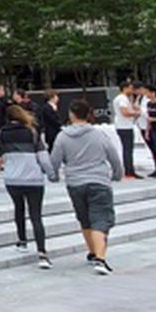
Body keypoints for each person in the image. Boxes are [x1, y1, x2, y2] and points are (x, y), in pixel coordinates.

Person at [48, 98, 123, 276]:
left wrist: (54, 176)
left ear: (71, 115)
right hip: (98, 181)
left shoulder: (62, 136)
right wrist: (117, 174)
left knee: (85, 218)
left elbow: (54, 160)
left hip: (75, 182)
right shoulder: (99, 135)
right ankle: (100, 258)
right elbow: (113, 156)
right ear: (88, 114)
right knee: (101, 219)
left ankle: (92, 252)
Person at [0, 104, 55, 269]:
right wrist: (51, 174)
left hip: (12, 178)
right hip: (32, 178)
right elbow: (43, 157)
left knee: (19, 208)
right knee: (36, 214)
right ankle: (42, 252)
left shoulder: (1, 134)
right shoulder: (32, 133)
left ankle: (22, 240)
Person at [112, 80, 141, 179]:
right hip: (124, 126)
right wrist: (136, 113)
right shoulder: (122, 99)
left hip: (123, 125)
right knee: (128, 149)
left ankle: (130, 170)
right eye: (130, 87)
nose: (132, 89)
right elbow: (124, 112)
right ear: (125, 88)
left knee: (127, 149)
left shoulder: (123, 98)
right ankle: (129, 171)